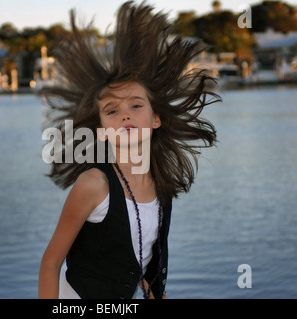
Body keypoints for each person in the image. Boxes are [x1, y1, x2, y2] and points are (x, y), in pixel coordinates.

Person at [38, 1, 220, 299]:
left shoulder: (162, 186)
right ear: (101, 133)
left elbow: (141, 258)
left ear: (156, 118)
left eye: (136, 105)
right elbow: (51, 262)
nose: (125, 115)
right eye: (112, 111)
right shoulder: (94, 185)